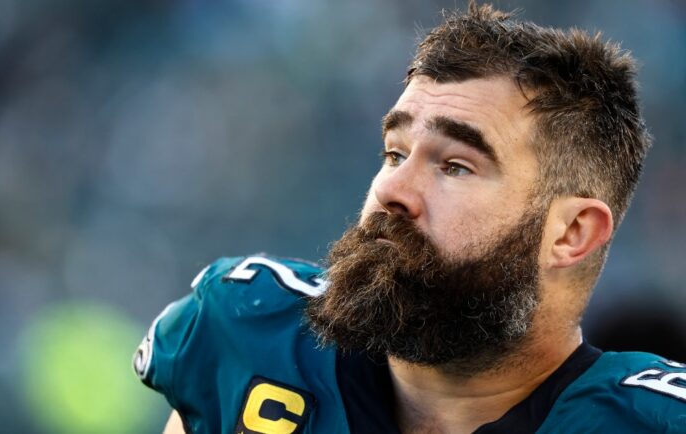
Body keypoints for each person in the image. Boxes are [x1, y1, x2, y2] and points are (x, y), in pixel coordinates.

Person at [133, 3, 686, 433]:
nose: (392, 190)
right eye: (394, 154)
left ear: (570, 233)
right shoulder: (248, 335)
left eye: (455, 166)